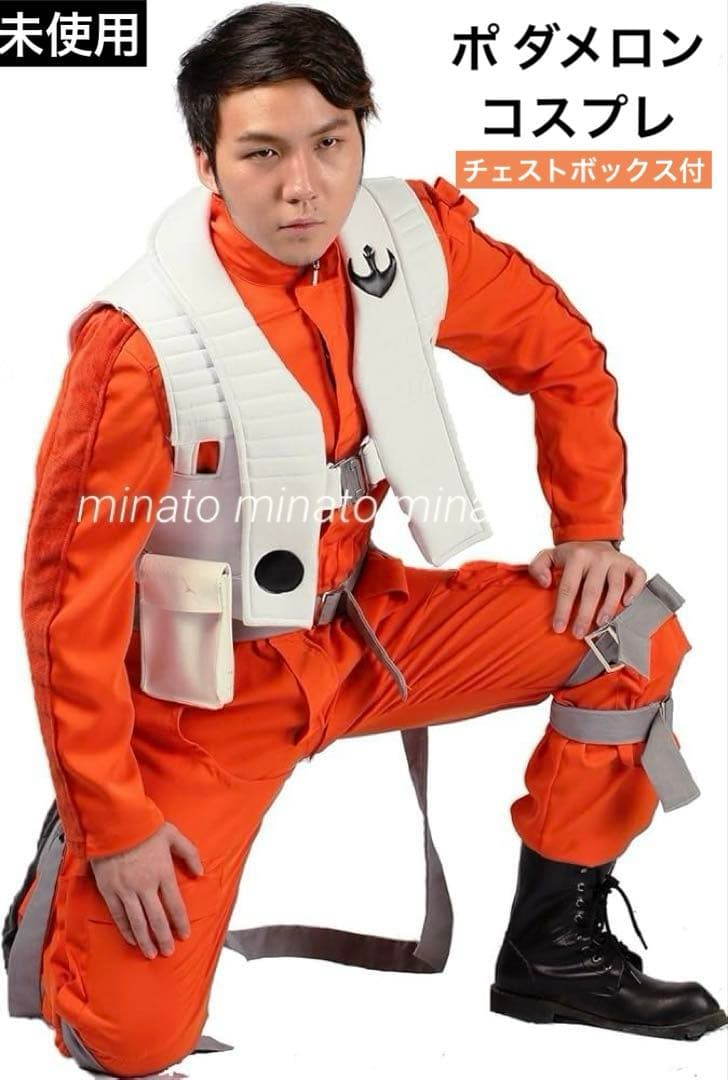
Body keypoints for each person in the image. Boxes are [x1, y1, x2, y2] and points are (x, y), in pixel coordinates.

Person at [3, 3, 726, 1075]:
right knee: (128, 1043)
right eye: (262, 153)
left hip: (361, 627)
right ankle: (71, 849)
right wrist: (114, 823)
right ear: (206, 163)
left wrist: (589, 529)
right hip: (207, 693)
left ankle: (552, 955)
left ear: (359, 133)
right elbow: (68, 610)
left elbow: (563, 355)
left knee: (628, 627)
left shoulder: (410, 242)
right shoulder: (140, 344)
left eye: (329, 143)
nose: (304, 187)